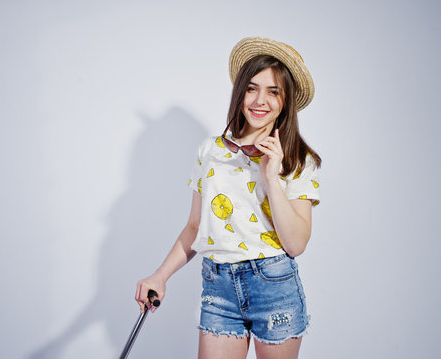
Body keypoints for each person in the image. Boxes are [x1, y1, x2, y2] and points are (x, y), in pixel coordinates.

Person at [135, 37, 321, 359]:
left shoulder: (298, 159)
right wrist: (160, 276)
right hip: (218, 287)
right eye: (251, 88)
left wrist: (271, 177)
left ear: (286, 101)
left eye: (273, 91)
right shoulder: (211, 151)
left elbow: (296, 245)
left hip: (273, 286)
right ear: (240, 93)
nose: (260, 100)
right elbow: (195, 227)